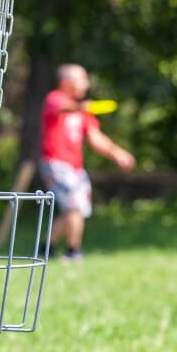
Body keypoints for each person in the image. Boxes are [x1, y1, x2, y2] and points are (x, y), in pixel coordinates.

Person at [39, 64, 135, 261]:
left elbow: (96, 139)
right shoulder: (55, 98)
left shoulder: (83, 112)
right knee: (75, 207)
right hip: (56, 163)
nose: (86, 83)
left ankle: (44, 249)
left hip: (75, 167)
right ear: (65, 82)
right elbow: (60, 108)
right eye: (81, 79)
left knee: (76, 209)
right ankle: (73, 252)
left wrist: (118, 153)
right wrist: (81, 107)